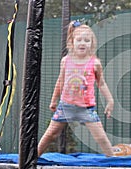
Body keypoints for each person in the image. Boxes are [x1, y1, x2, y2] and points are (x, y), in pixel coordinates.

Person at [38, 20, 114, 157]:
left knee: (101, 137)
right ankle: (30, 158)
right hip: (65, 106)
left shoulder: (95, 63)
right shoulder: (66, 61)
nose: (83, 43)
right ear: (72, 42)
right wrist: (53, 100)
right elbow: (60, 81)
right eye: (79, 40)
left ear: (92, 44)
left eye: (87, 40)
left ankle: (114, 162)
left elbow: (101, 83)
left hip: (86, 108)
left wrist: (110, 101)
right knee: (51, 134)